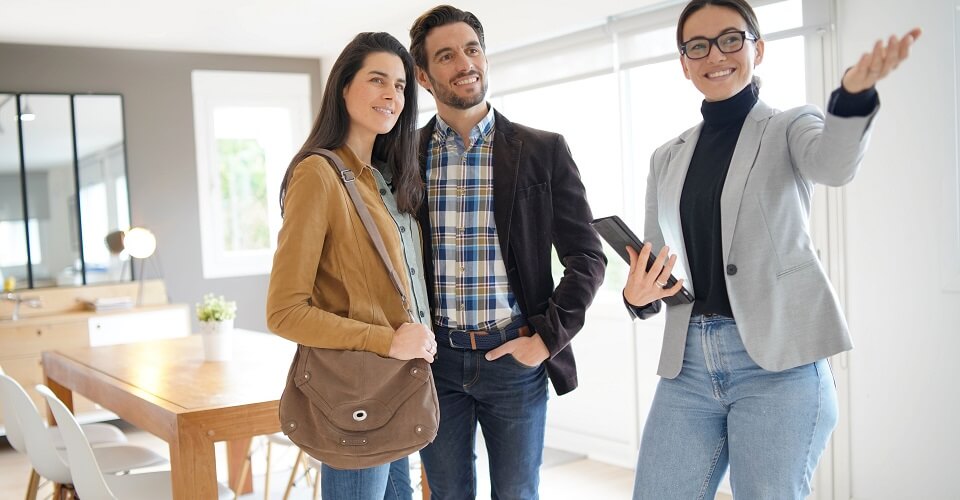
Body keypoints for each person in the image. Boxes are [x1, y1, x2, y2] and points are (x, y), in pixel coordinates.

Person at [622, 1, 920, 498]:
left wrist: (850, 97)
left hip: (778, 366)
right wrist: (637, 295)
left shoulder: (790, 125)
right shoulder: (666, 157)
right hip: (688, 365)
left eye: (731, 39)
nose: (715, 54)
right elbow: (659, 265)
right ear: (684, 63)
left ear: (757, 49)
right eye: (698, 45)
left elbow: (833, 164)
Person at [408, 5, 607, 499]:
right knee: (447, 494)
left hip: (514, 360)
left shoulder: (544, 150)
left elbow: (587, 256)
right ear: (424, 76)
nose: (465, 63)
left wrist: (546, 340)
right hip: (435, 363)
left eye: (472, 49)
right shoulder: (402, 158)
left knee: (518, 494)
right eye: (447, 55)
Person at [266, 32, 438, 500]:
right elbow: (284, 311)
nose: (392, 95)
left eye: (401, 86)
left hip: (395, 385)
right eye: (377, 80)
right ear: (343, 87)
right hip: (358, 391)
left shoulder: (380, 181)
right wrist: (388, 339)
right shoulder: (317, 175)